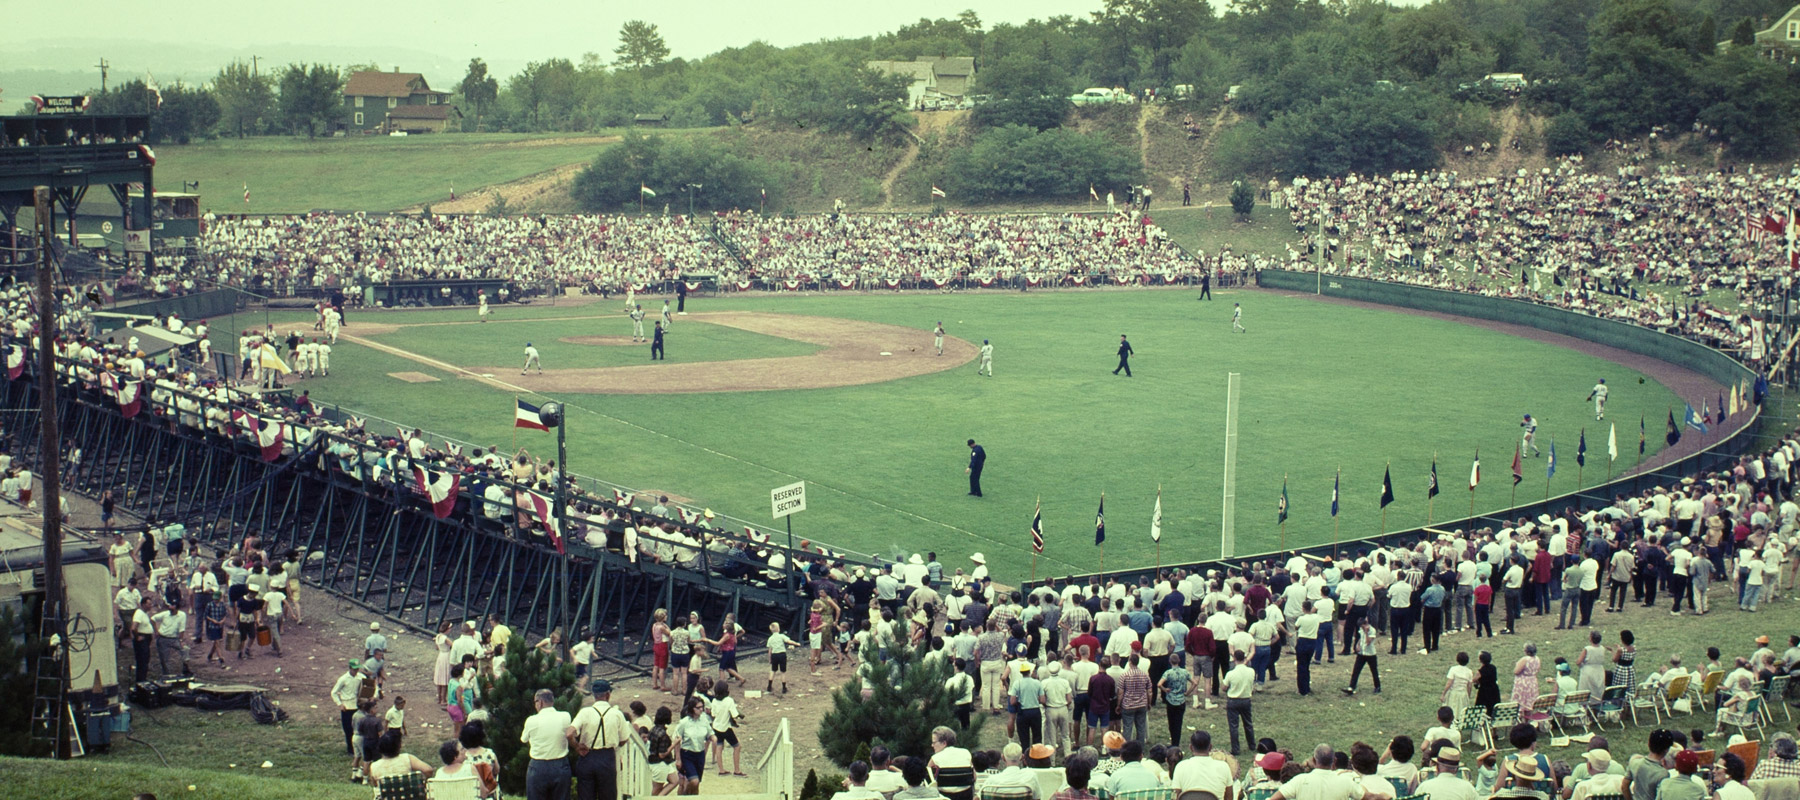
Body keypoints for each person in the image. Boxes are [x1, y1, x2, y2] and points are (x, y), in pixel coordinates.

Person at [571, 679, 628, 800]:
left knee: (585, 795)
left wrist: (576, 746)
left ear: (593, 695)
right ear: (608, 694)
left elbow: (569, 733)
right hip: (607, 757)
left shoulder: (585, 712)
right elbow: (624, 739)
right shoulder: (616, 714)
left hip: (587, 756)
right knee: (608, 795)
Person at [519, 689, 572, 800]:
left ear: (540, 702)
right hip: (560, 765)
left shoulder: (532, 720)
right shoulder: (565, 717)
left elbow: (524, 739)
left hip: (538, 766)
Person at [368, 730, 435, 790]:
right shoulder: (407, 759)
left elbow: (376, 786)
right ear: (398, 746)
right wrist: (422, 784)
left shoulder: (374, 766)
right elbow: (428, 770)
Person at [675, 696, 715, 794]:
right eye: (698, 707)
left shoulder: (704, 720)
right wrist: (678, 758)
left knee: (697, 784)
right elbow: (677, 739)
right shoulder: (684, 722)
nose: (701, 709)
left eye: (702, 707)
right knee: (694, 781)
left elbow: (710, 733)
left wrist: (714, 738)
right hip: (687, 754)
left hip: (700, 754)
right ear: (692, 708)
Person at [1223, 649, 1255, 756]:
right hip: (1246, 699)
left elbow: (1224, 687)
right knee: (1248, 723)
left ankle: (1235, 749)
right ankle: (1252, 745)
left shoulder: (1230, 674)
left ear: (1234, 659)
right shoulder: (1251, 671)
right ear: (1245, 658)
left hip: (1233, 700)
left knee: (1234, 726)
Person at [1344, 616, 1381, 695]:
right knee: (1356, 670)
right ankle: (1352, 686)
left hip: (1370, 654)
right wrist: (1357, 644)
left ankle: (1377, 686)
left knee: (1374, 671)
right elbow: (1361, 638)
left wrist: (1367, 632)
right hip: (1362, 653)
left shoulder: (1372, 630)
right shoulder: (1361, 629)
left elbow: (1368, 642)